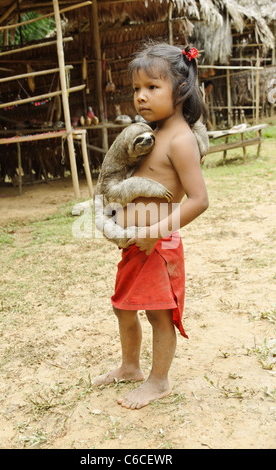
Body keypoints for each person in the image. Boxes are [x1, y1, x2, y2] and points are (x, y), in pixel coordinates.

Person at [93, 42, 209, 409]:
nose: (141, 97)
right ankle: (130, 367)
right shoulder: (150, 134)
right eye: (136, 89)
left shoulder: (181, 140)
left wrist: (154, 231)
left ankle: (159, 381)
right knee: (123, 308)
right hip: (135, 244)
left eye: (152, 87)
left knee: (159, 315)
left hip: (157, 246)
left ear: (182, 90)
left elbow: (198, 199)